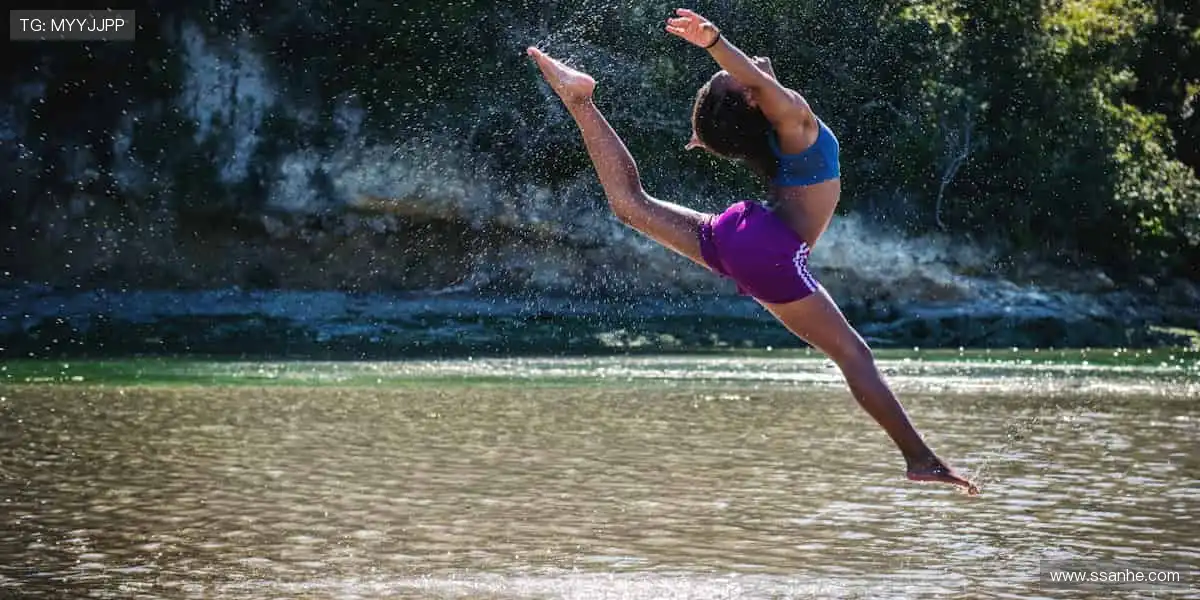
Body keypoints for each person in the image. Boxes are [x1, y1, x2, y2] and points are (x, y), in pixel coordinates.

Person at [526, 8, 979, 495]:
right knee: (853, 354)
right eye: (730, 77)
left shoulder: (777, 135)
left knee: (632, 205)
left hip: (741, 230)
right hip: (766, 246)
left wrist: (715, 118)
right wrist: (713, 43)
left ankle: (579, 102)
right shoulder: (793, 119)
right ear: (748, 94)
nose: (739, 68)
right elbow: (755, 85)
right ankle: (920, 459)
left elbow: (744, 102)